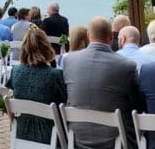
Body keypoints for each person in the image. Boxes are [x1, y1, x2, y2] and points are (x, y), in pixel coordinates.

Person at [61, 17, 143, 149]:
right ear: (111, 37)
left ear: (88, 36)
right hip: (116, 141)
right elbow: (137, 105)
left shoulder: (69, 60)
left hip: (77, 140)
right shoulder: (126, 66)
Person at [6, 25, 67, 145]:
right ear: (47, 47)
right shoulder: (55, 75)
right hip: (50, 134)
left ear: (24, 48)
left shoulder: (16, 71)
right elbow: (64, 103)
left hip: (22, 132)